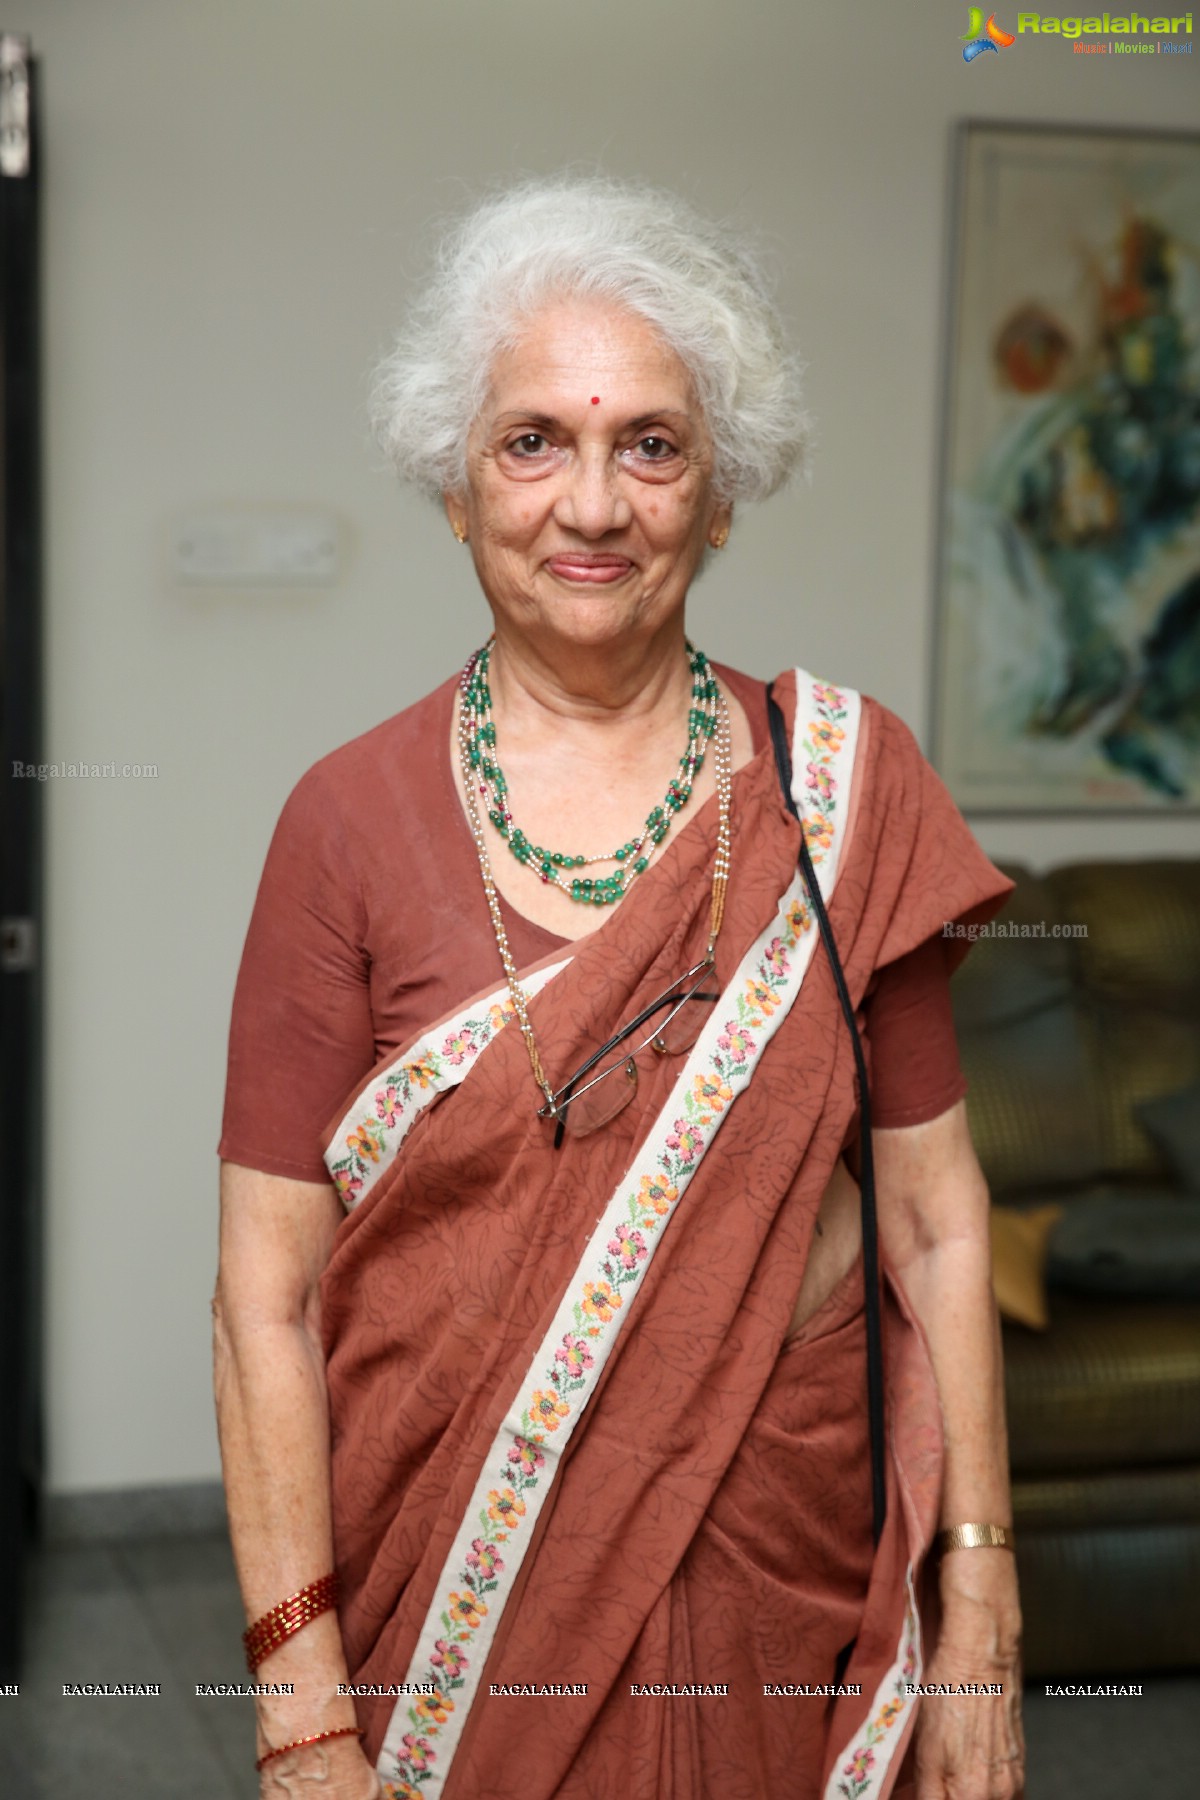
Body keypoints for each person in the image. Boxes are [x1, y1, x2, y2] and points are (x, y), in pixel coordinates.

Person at [213, 174, 1026, 1800]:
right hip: (450, 1604)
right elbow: (266, 1297)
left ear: (721, 495)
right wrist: (301, 1702)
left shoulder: (846, 794)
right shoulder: (344, 824)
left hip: (778, 1580)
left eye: (652, 445)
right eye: (534, 443)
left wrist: (984, 1608)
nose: (594, 504)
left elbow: (939, 1227)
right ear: (457, 486)